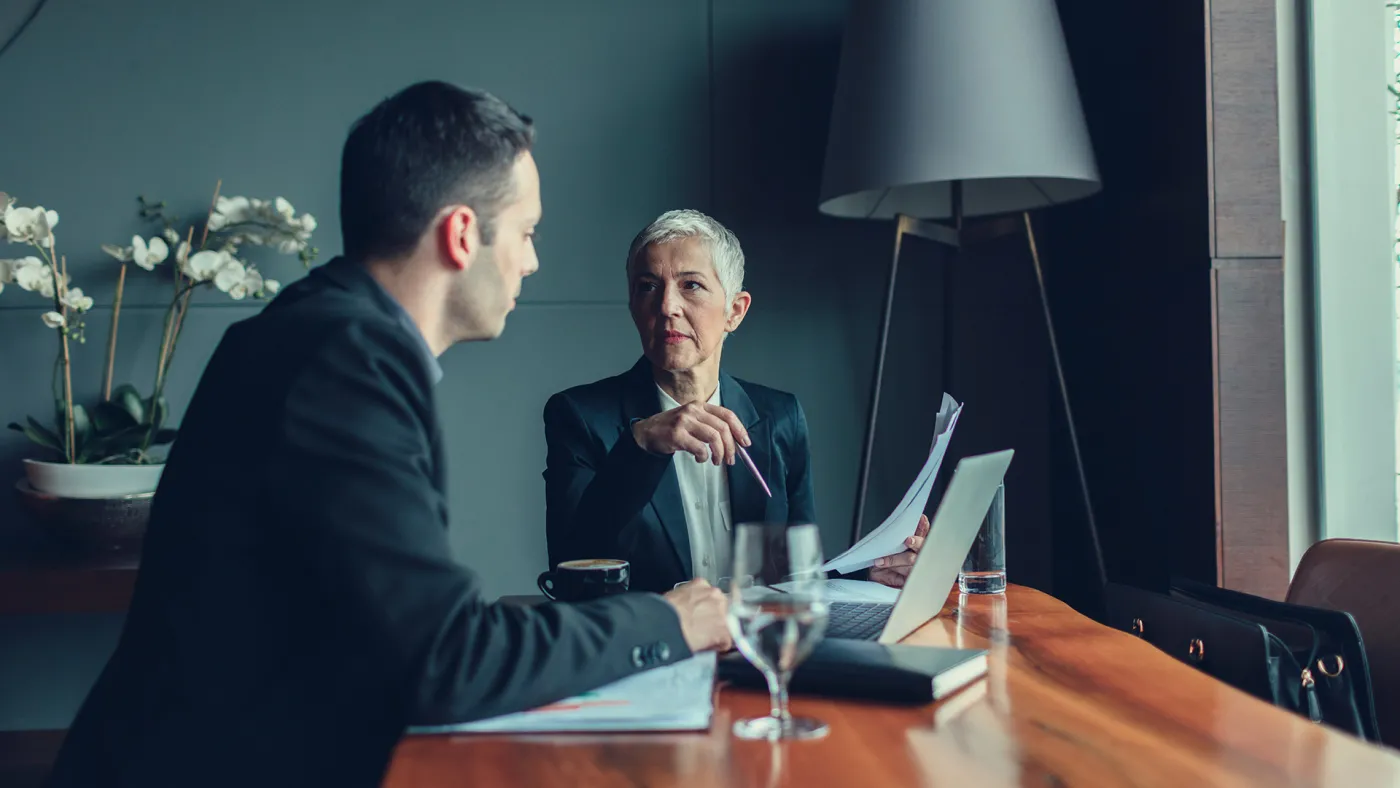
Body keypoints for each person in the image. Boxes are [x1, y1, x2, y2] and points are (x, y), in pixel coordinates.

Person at [47, 83, 731, 788]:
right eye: (527, 233)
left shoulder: (320, 331)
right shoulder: (343, 363)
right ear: (462, 234)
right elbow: (442, 657)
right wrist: (665, 623)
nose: (531, 261)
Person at [543, 209, 928, 595]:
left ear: (735, 311)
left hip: (760, 645)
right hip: (651, 650)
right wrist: (640, 447)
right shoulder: (579, 417)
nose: (666, 307)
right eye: (647, 286)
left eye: (690, 285)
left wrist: (868, 575)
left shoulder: (780, 418)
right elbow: (570, 566)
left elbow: (798, 576)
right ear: (632, 307)